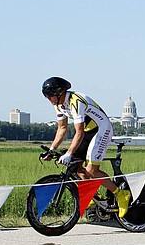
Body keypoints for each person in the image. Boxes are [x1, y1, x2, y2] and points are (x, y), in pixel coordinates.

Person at [40, 77, 131, 218]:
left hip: (102, 129)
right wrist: (52, 150)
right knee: (75, 166)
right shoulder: (58, 104)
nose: (49, 99)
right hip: (88, 131)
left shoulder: (75, 101)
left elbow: (79, 132)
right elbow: (62, 128)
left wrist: (70, 152)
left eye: (50, 95)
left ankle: (121, 194)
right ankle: (93, 197)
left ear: (59, 93)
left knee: (91, 171)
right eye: (46, 96)